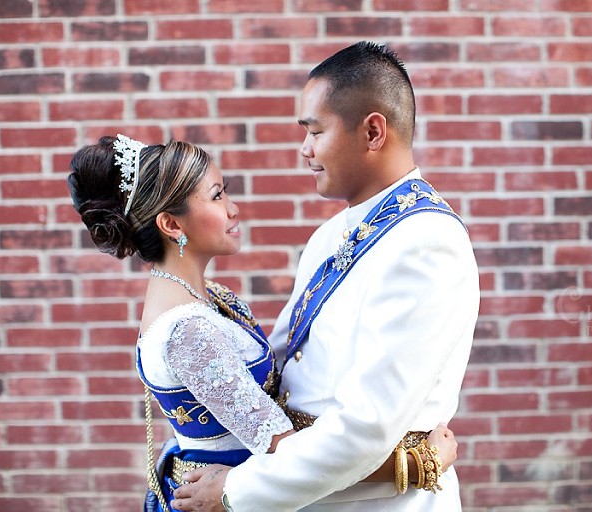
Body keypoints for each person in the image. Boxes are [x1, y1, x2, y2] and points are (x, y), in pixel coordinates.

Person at [67, 134, 458, 512]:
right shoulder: (187, 333)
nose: (233, 208)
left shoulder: (205, 297)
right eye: (217, 195)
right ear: (172, 225)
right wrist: (416, 465)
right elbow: (285, 453)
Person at [172, 41, 480, 511]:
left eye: (315, 131)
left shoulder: (424, 242)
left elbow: (366, 425)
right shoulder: (333, 232)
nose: (304, 149)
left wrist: (238, 491)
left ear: (373, 131)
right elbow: (282, 370)